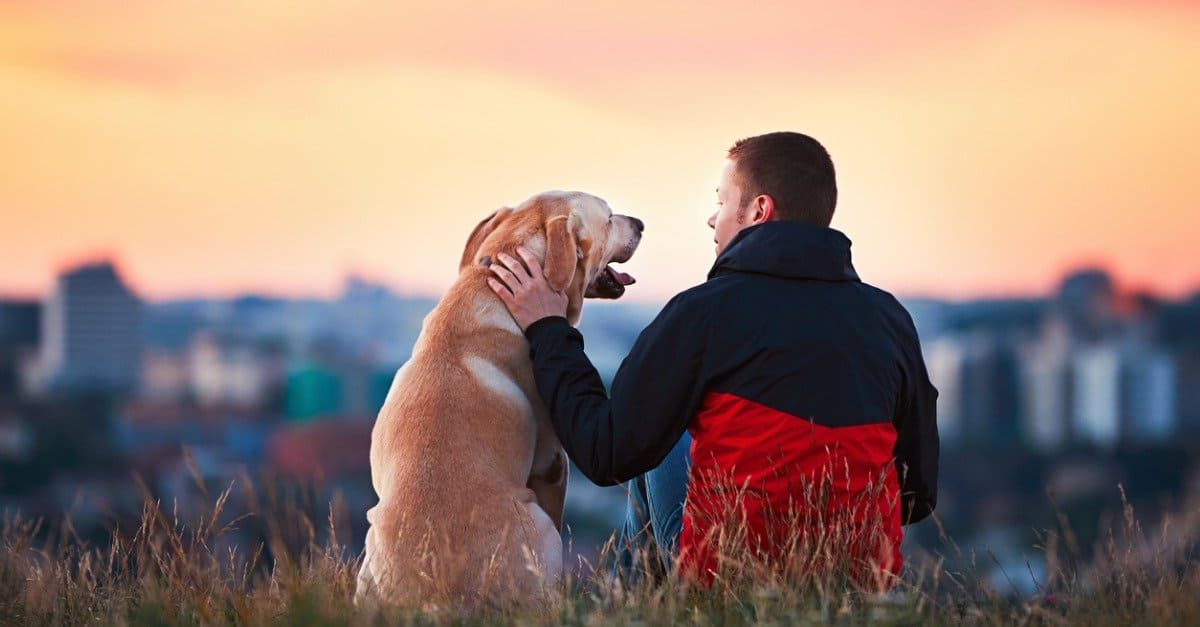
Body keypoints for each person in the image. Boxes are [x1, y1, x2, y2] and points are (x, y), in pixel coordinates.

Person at [486, 131, 938, 588]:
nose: (711, 219)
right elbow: (917, 494)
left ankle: (629, 613)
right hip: (859, 586)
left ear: (759, 211)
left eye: (722, 202)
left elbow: (605, 452)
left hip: (731, 582)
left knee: (655, 445)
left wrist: (548, 328)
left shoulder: (703, 312)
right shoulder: (890, 321)